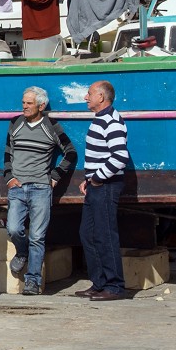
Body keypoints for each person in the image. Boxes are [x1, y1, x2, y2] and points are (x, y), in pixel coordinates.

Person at [4, 86, 77, 295]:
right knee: (13, 228)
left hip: (40, 189)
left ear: (41, 105)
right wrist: (9, 177)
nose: (24, 106)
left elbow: (71, 152)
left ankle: (33, 281)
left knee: (37, 236)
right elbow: (8, 152)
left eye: (29, 103)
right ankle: (22, 252)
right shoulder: (15, 123)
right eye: (23, 102)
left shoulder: (51, 126)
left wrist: (55, 177)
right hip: (17, 188)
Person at [77, 81, 129, 300]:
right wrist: (88, 179)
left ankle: (114, 286)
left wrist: (97, 178)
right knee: (87, 234)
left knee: (105, 235)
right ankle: (99, 282)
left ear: (101, 97)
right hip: (96, 185)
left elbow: (120, 157)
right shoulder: (99, 119)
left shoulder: (112, 121)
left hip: (106, 186)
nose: (85, 98)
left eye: (89, 94)